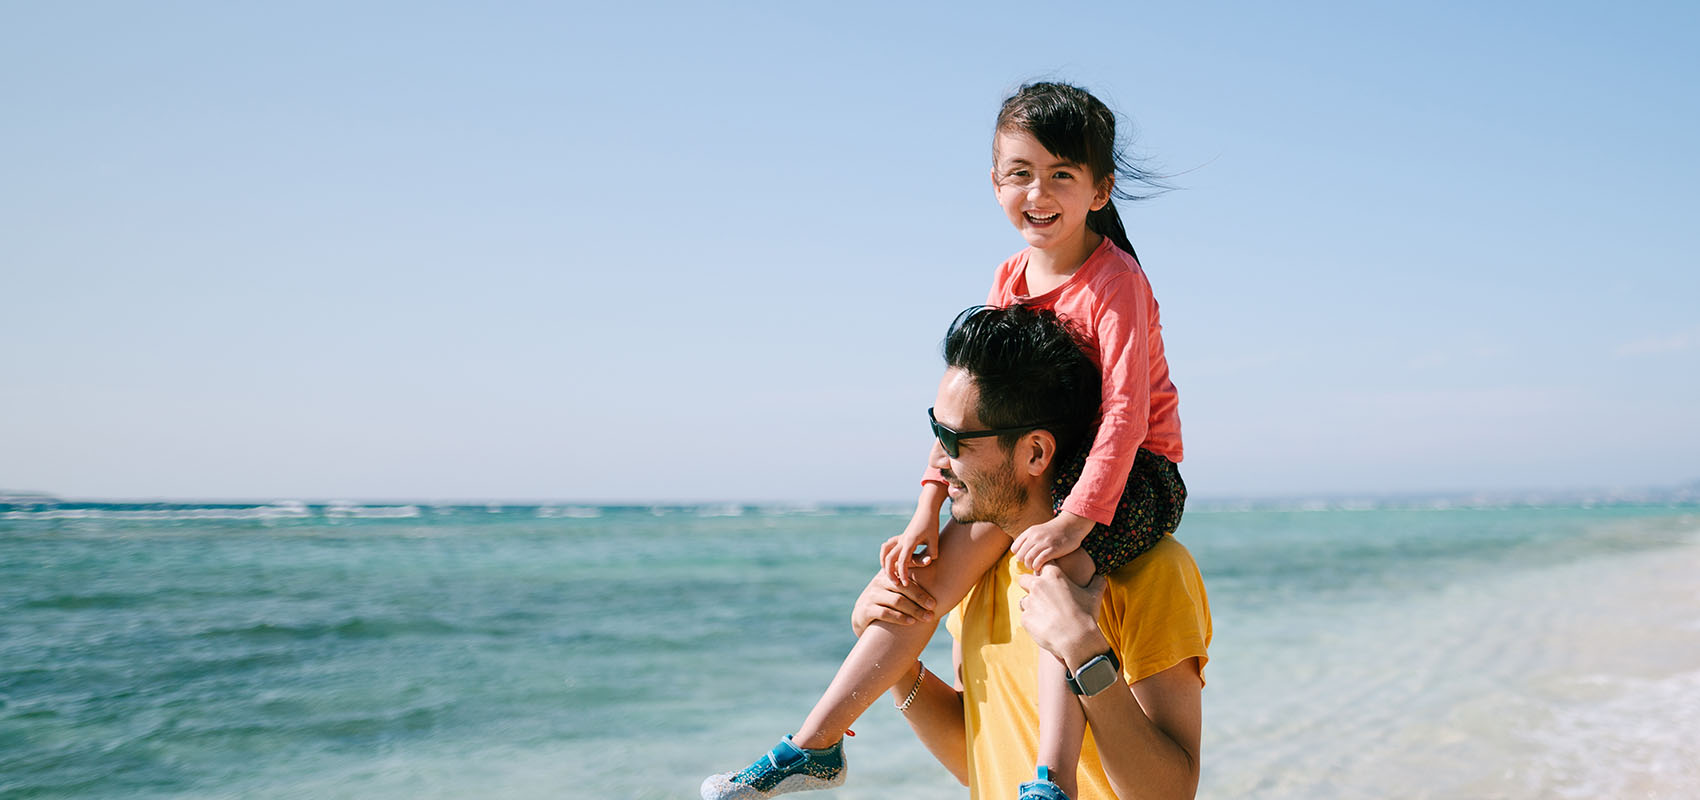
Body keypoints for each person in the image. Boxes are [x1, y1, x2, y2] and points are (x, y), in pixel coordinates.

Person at [703, 81, 1188, 800]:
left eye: (1061, 173)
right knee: (921, 587)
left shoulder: (1115, 280)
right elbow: (972, 406)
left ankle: (1051, 782)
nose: (1038, 191)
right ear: (994, 182)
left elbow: (1125, 417)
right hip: (1034, 472)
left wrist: (1072, 522)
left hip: (1132, 475)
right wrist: (926, 508)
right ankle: (814, 745)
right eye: (1020, 173)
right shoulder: (1009, 278)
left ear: (1100, 188)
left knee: (1063, 578)